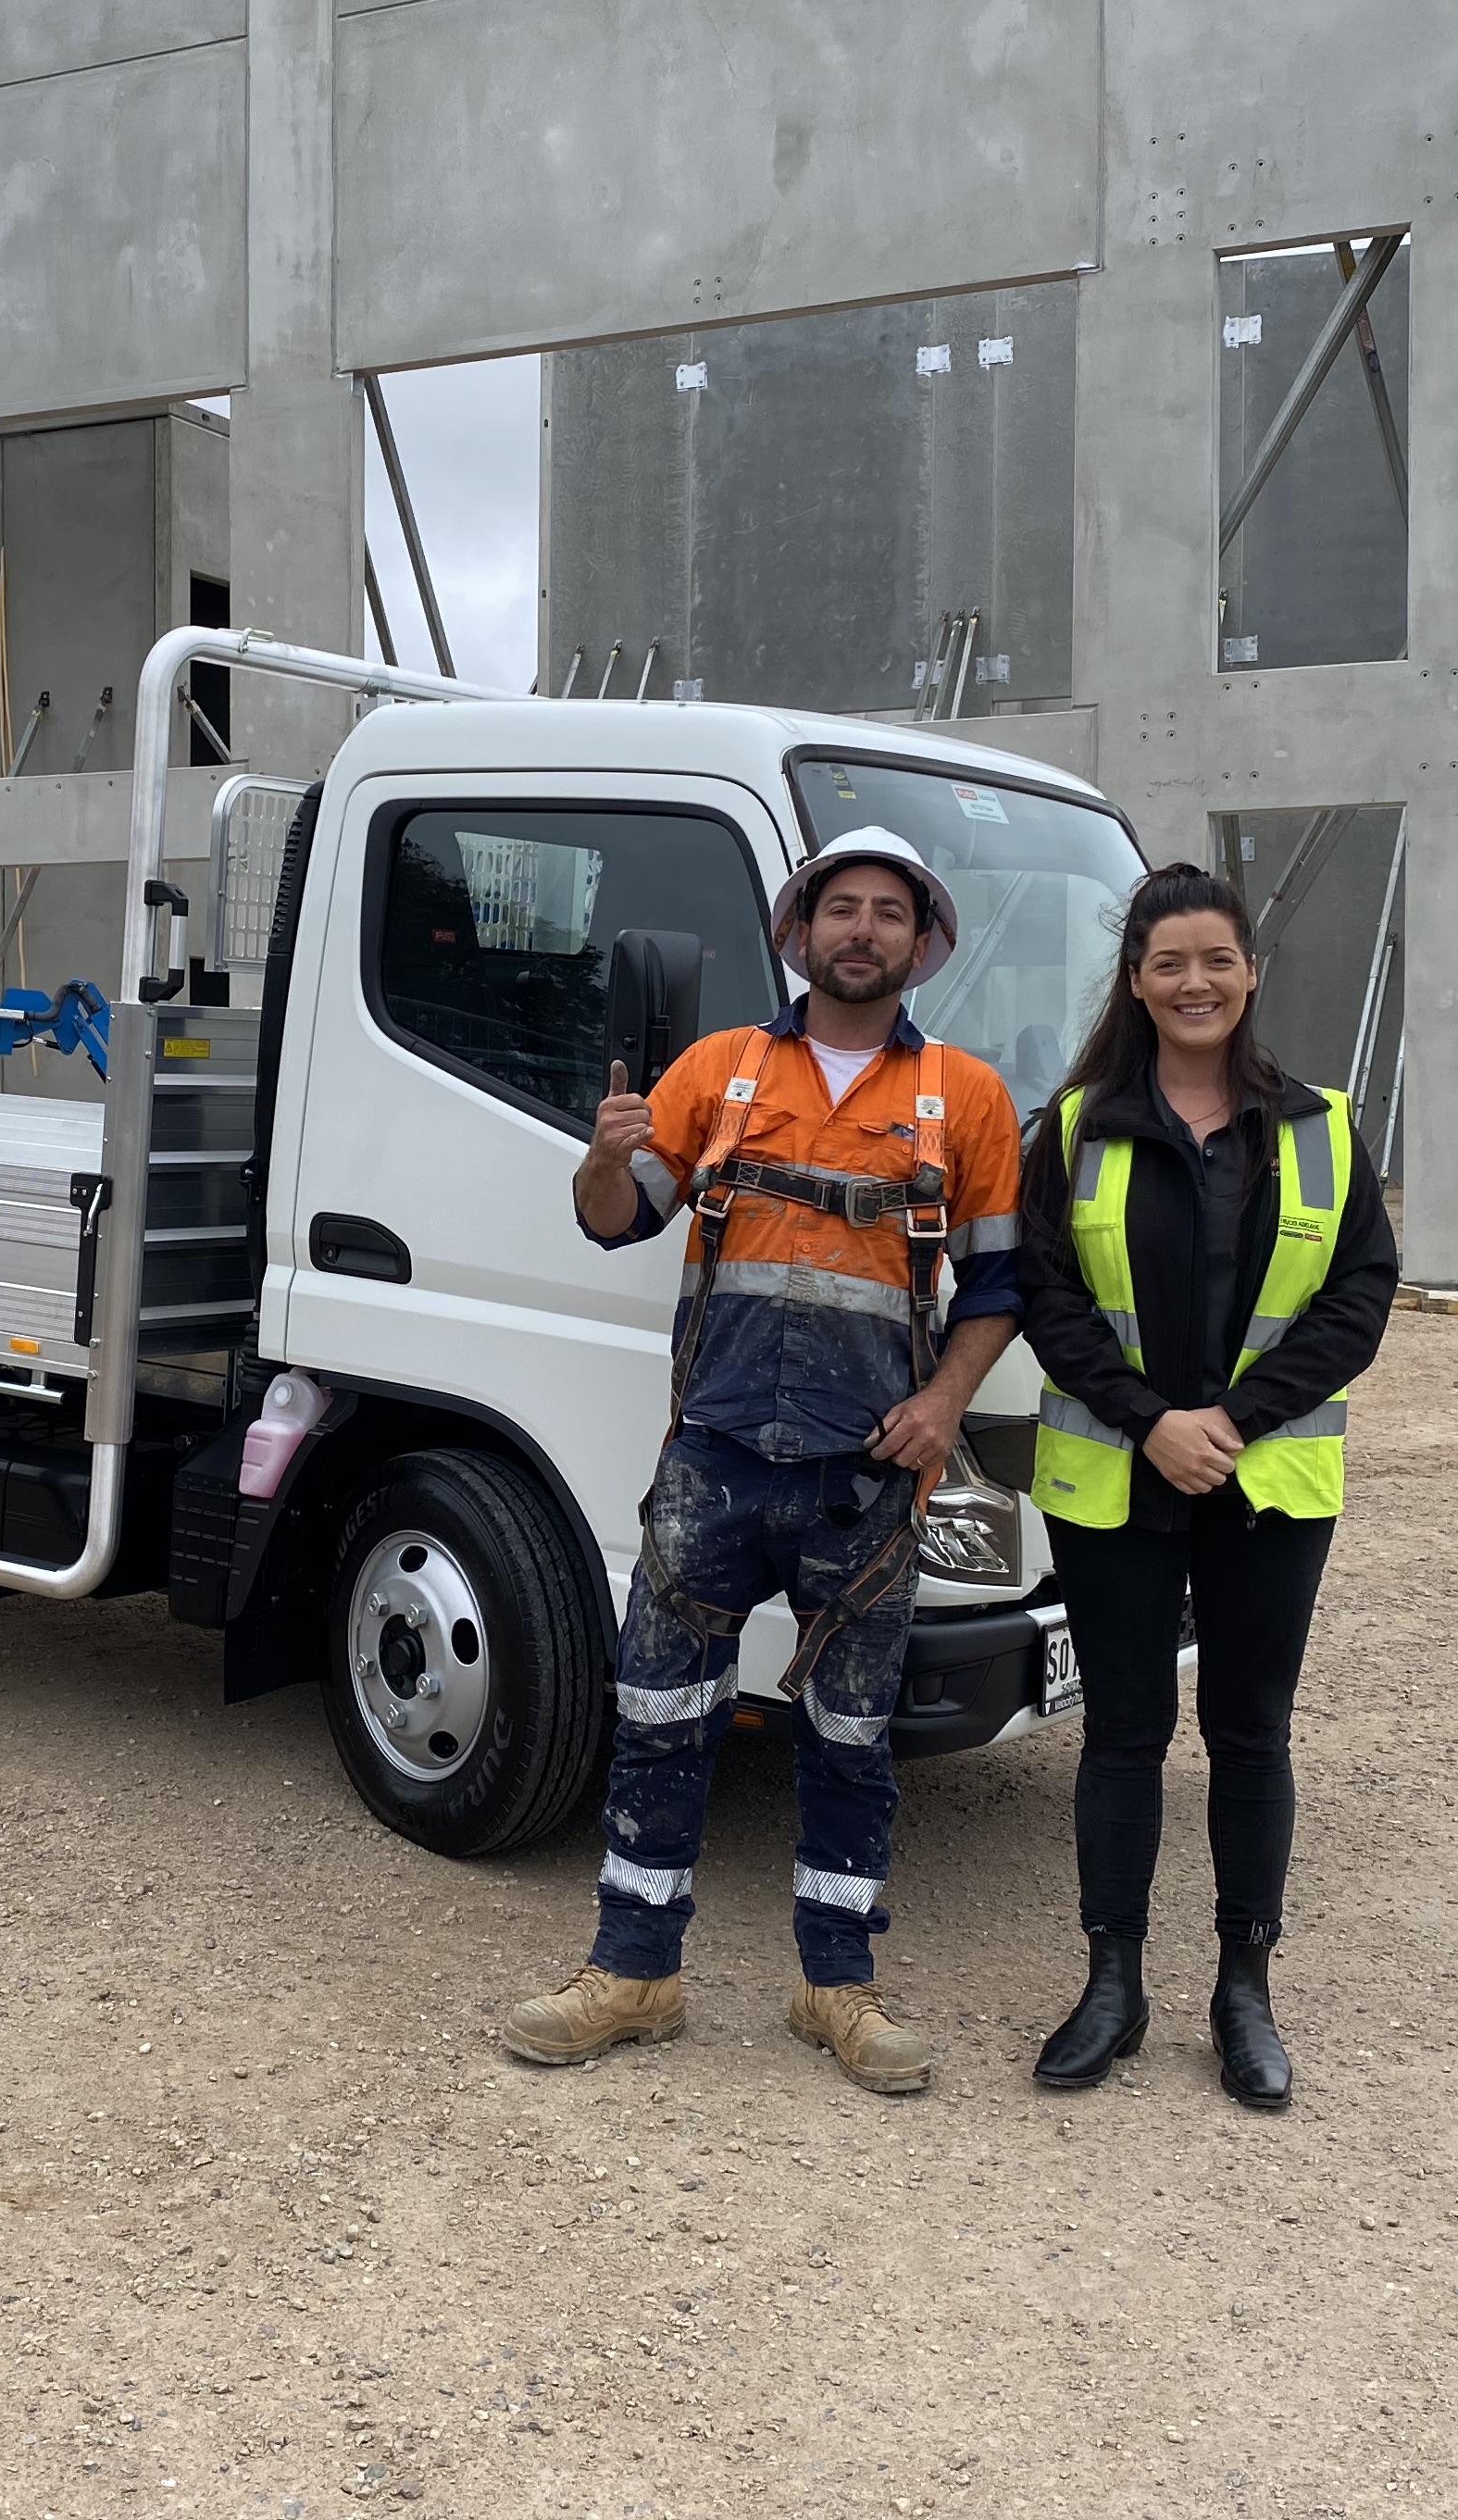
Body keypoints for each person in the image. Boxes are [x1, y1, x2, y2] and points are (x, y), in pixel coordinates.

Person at [499, 830, 1025, 2095]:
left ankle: (835, 1990)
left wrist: (947, 1402)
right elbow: (616, 1222)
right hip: (717, 1457)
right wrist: (601, 1152)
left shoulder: (970, 1096)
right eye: (839, 908)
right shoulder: (720, 1072)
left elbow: (1004, 1279)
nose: (861, 930)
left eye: (886, 913)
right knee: (660, 1715)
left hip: (867, 1472)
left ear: (920, 941)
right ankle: (635, 1972)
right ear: (800, 932)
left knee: (850, 1734)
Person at [1015, 866, 1395, 2108]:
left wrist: (1229, 1421)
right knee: (1123, 1736)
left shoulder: (1323, 1125)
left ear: (1251, 972)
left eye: (1216, 960)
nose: (1194, 983)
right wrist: (1149, 1423)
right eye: (1169, 962)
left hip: (1266, 1482)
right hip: (1117, 1483)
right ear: (1135, 979)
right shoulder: (1074, 1129)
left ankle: (1246, 1990)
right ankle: (1111, 1984)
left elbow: (1357, 1298)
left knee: (1249, 1735)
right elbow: (1050, 1301)